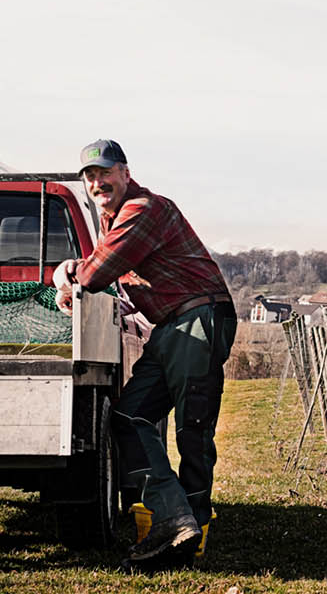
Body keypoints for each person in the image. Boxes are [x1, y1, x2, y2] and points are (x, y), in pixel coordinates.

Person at [54, 139, 236, 569]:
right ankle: (173, 517)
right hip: (171, 324)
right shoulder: (111, 219)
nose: (98, 182)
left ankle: (191, 531)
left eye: (105, 173)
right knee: (128, 414)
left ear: (125, 172)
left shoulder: (143, 210)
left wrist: (66, 272)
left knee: (193, 428)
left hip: (198, 320)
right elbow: (112, 271)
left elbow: (96, 273)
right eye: (90, 176)